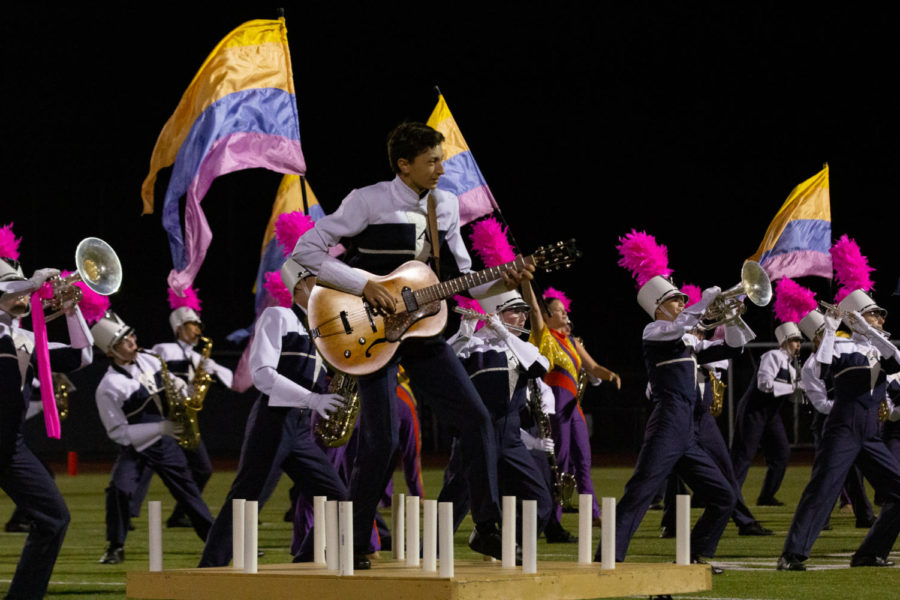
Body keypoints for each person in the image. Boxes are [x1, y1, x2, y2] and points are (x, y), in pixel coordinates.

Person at [291, 121, 532, 566]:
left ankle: (487, 526)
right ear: (404, 165)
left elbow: (465, 282)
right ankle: (356, 540)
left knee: (478, 419)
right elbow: (305, 251)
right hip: (368, 330)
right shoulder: (368, 200)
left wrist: (504, 278)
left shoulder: (446, 205)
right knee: (380, 440)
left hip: (422, 330)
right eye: (433, 160)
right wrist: (364, 284)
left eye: (442, 159)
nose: (442, 168)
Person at [198, 258, 348, 567]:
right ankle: (210, 568)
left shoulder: (321, 332)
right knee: (247, 499)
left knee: (337, 497)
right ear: (300, 285)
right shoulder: (278, 316)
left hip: (301, 428)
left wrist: (328, 393)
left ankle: (305, 561)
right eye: (320, 281)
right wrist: (314, 399)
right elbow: (262, 374)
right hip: (273, 421)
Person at [599, 275, 751, 571]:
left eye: (684, 299)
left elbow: (735, 349)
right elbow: (677, 329)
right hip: (668, 422)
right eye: (676, 299)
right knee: (641, 491)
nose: (682, 302)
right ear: (658, 306)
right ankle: (607, 557)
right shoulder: (653, 331)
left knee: (724, 496)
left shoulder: (689, 340)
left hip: (689, 429)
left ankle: (692, 555)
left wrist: (731, 317)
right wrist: (704, 302)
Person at [779, 290, 900, 570]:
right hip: (842, 428)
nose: (881, 318)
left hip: (871, 433)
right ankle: (791, 555)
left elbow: (895, 358)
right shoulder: (841, 347)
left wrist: (868, 329)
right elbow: (820, 366)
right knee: (822, 490)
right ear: (855, 317)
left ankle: (870, 553)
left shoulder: (877, 347)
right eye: (874, 313)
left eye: (881, 314)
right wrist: (833, 328)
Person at [1, 258, 92, 599]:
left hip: (10, 447)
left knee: (54, 519)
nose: (23, 291)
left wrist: (71, 311)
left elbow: (82, 357)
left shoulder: (25, 338)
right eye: (13, 285)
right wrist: (31, 282)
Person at [92, 310, 214, 564]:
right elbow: (117, 432)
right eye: (125, 342)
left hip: (164, 441)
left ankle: (219, 542)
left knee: (189, 493)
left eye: (132, 337)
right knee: (119, 490)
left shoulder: (150, 359)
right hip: (136, 446)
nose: (133, 343)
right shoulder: (108, 386)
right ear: (111, 352)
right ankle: (115, 546)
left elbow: (169, 384)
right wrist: (161, 428)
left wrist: (181, 388)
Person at [438, 290, 552, 551]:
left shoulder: (520, 346)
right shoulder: (473, 345)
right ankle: (427, 554)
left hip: (510, 437)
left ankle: (516, 548)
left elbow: (538, 366)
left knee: (540, 499)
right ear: (496, 313)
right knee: (455, 501)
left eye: (524, 312)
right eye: (516, 311)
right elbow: (443, 367)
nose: (522, 318)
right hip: (477, 435)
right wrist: (464, 334)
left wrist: (503, 332)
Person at [138, 295, 233, 528]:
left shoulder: (199, 356)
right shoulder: (165, 348)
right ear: (179, 327)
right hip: (162, 416)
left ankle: (180, 514)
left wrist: (215, 370)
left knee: (203, 468)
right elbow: (147, 364)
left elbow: (230, 381)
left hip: (185, 419)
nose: (198, 329)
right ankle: (127, 512)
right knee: (144, 466)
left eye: (199, 325)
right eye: (193, 324)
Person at [530, 288, 619, 533]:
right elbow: (535, 309)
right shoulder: (543, 336)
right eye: (558, 310)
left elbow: (593, 366)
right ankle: (553, 519)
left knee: (582, 460)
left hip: (573, 406)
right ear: (547, 316)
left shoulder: (571, 341)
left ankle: (593, 513)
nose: (564, 313)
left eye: (563, 309)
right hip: (555, 402)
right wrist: (529, 286)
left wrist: (609, 374)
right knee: (559, 463)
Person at [731, 322, 801, 506]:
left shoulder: (790, 367)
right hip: (753, 411)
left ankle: (766, 496)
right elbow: (764, 384)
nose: (798, 345)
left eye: (799, 341)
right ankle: (730, 497)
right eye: (795, 340)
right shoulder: (773, 356)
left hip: (770, 414)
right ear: (785, 341)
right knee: (744, 455)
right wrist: (794, 387)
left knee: (781, 453)